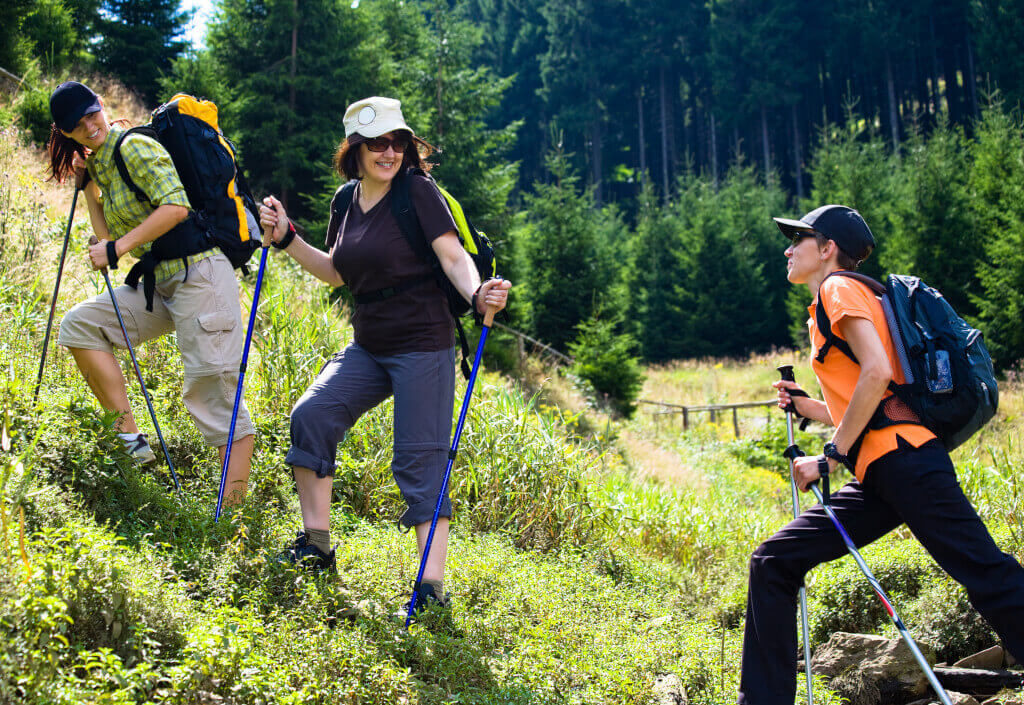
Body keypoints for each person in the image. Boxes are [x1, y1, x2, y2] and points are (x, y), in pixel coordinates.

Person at [738, 204, 1024, 704]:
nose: (787, 249)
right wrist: (812, 407)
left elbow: (876, 375)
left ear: (828, 249)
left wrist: (830, 456)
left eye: (797, 240)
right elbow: (872, 399)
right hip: (885, 470)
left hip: (906, 464)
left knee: (985, 570)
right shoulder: (843, 299)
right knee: (773, 561)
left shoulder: (838, 288)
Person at [258, 96, 511, 611]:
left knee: (420, 461)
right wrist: (286, 239)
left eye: (396, 142)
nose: (388, 152)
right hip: (370, 344)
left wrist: (477, 293)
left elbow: (452, 254)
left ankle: (430, 590)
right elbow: (336, 271)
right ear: (354, 150)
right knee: (312, 415)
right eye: (376, 143)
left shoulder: (417, 191)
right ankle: (316, 546)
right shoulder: (346, 200)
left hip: (423, 343)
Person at [47, 81, 255, 505]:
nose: (89, 127)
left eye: (92, 114)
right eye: (77, 125)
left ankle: (231, 518)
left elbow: (175, 207)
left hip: (201, 275)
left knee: (212, 389)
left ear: (101, 106)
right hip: (161, 282)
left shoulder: (132, 147)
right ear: (65, 132)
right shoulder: (102, 165)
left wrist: (117, 248)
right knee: (81, 326)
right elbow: (107, 240)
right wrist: (90, 192)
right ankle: (132, 444)